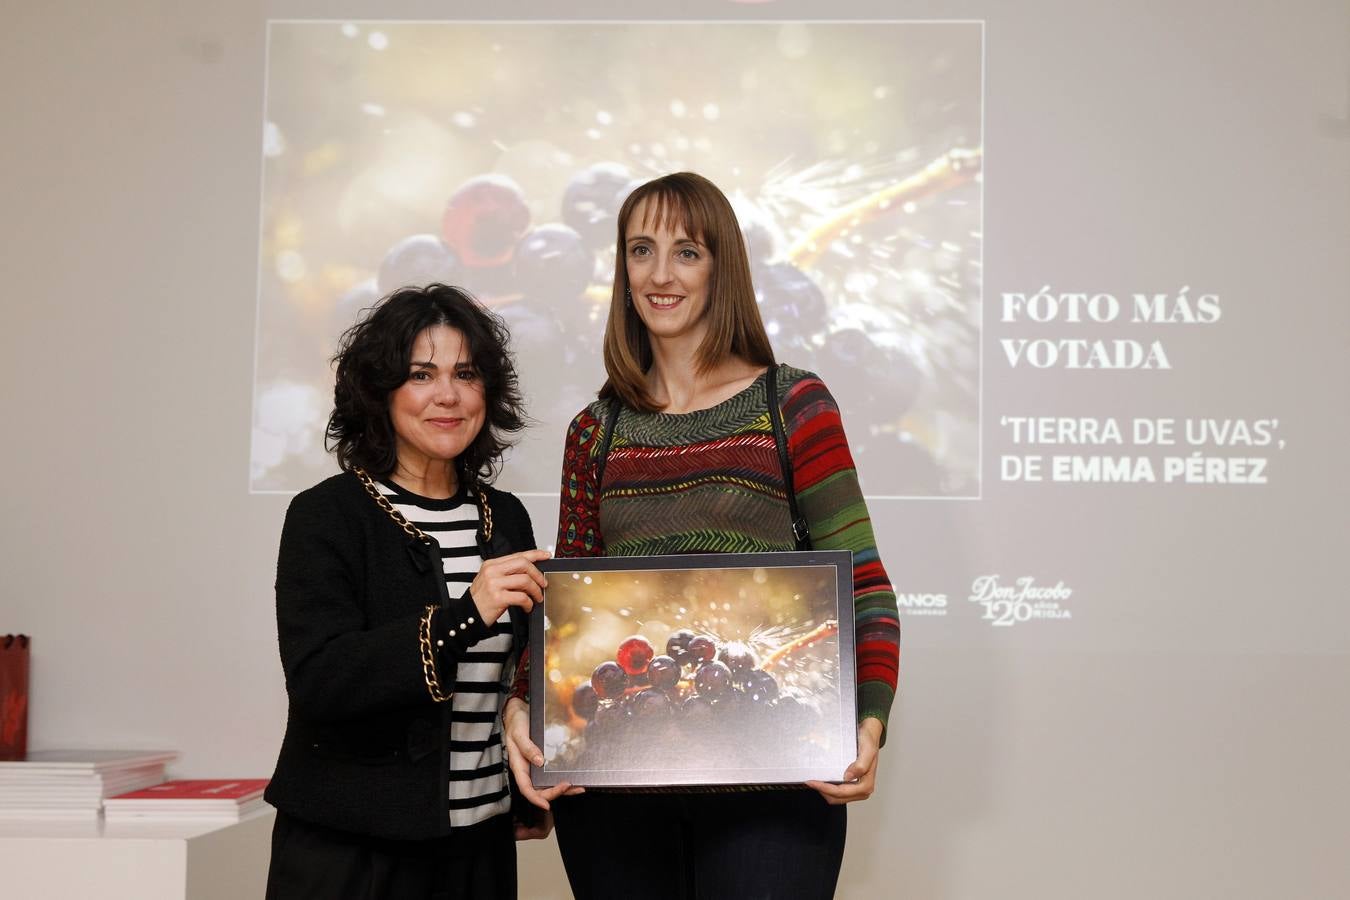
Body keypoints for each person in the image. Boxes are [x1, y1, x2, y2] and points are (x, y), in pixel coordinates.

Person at [503, 173, 901, 899]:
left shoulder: (794, 404)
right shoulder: (595, 431)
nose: (660, 274)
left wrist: (869, 722)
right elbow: (563, 608)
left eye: (687, 252)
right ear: (621, 271)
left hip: (775, 785)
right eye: (641, 250)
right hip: (616, 789)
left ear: (723, 268)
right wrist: (522, 707)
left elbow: (866, 585)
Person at [264, 284, 569, 899]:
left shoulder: (505, 518)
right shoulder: (327, 515)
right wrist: (466, 616)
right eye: (421, 375)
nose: (448, 395)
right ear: (380, 392)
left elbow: (508, 672)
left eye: (466, 373)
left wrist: (516, 709)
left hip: (479, 844)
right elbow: (322, 678)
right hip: (354, 853)